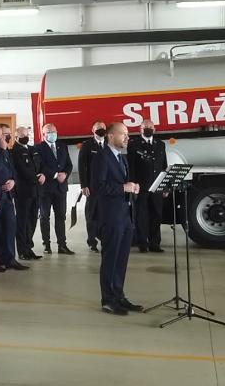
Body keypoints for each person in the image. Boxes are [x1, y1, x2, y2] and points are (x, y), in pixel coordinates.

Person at [91, 122, 144, 315]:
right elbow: (98, 187)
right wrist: (123, 188)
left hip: (124, 215)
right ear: (111, 136)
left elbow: (122, 182)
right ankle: (108, 300)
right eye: (123, 134)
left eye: (128, 134)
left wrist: (132, 187)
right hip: (110, 216)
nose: (127, 138)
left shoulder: (121, 157)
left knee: (121, 259)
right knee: (111, 258)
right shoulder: (102, 157)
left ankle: (119, 295)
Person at [0, 125, 28, 271]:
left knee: (9, 227)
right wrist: (2, 150)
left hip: (8, 196)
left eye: (4, 135)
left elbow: (12, 169)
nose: (2, 138)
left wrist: (13, 181)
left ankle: (10, 258)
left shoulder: (6, 151)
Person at [128, 120, 169, 253]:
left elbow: (164, 166)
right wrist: (133, 184)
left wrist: (165, 186)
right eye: (145, 127)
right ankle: (142, 244)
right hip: (141, 187)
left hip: (157, 186)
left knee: (157, 215)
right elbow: (131, 166)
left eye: (150, 127)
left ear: (154, 129)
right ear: (140, 129)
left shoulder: (161, 144)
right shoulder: (133, 144)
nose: (148, 129)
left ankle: (155, 244)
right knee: (141, 216)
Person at [36, 123, 74, 255]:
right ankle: (46, 244)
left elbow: (69, 164)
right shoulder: (38, 148)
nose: (53, 134)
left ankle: (62, 245)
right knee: (44, 217)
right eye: (49, 132)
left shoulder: (62, 146)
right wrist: (56, 175)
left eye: (54, 131)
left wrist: (65, 174)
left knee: (61, 216)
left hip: (61, 188)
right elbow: (40, 166)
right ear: (44, 134)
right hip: (46, 189)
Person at [11, 126, 43, 260]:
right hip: (23, 192)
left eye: (27, 134)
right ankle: (22, 250)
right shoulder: (14, 151)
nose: (26, 137)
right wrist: (36, 178)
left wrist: (42, 174)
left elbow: (40, 165)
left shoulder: (32, 149)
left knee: (32, 220)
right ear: (16, 137)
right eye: (22, 135)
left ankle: (29, 248)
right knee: (22, 222)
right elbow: (22, 170)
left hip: (36, 191)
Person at [78, 121, 107, 253]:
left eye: (103, 128)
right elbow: (81, 166)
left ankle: (105, 239)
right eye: (98, 128)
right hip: (92, 187)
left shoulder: (109, 143)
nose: (101, 130)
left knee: (106, 214)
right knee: (91, 215)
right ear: (93, 130)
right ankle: (92, 241)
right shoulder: (87, 145)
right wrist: (84, 185)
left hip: (107, 187)